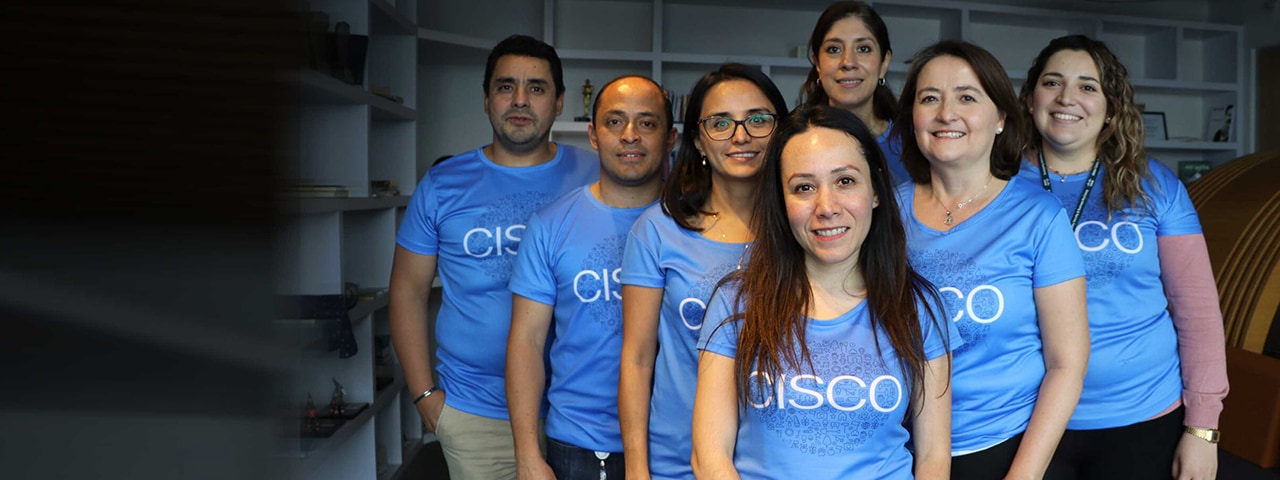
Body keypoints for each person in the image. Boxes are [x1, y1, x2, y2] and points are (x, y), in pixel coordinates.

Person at [691, 104, 958, 479]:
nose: (826, 207)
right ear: (781, 204)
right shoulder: (737, 302)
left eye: (845, 181)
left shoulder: (918, 306)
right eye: (804, 187)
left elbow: (933, 459)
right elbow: (709, 457)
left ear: (876, 191)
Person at [1015, 35, 1229, 480]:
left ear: (1112, 108)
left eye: (1088, 87)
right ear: (1031, 97)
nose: (1067, 98)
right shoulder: (997, 184)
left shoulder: (1156, 186)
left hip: (1143, 415)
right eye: (1052, 82)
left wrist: (1203, 428)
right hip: (1025, 420)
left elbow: (1198, 311)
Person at [389, 34, 599, 480]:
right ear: (486, 100)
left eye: (536, 88)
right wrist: (425, 395)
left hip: (581, 410)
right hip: (476, 413)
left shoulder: (595, 175)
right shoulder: (443, 184)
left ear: (560, 102)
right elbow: (407, 292)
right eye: (506, 87)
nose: (520, 100)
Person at [890, 40, 1090, 480]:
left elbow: (1066, 364)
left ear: (1000, 117)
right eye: (929, 98)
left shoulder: (1038, 216)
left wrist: (1023, 475)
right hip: (896, 450)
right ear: (913, 119)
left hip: (1005, 448)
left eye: (966, 97)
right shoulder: (883, 213)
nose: (946, 113)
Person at [618, 63, 789, 480]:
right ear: (697, 139)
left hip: (774, 462)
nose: (740, 136)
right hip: (675, 458)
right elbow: (637, 359)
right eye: (720, 123)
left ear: (780, 130)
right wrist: (637, 469)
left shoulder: (804, 228)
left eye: (758, 120)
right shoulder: (657, 230)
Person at [506, 75, 677, 480]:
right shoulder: (550, 225)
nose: (630, 136)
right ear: (594, 136)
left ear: (670, 138)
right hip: (577, 445)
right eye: (615, 122)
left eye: (647, 123)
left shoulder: (695, 227)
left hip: (674, 444)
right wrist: (528, 453)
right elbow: (527, 342)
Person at [800, 1, 908, 185]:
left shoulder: (913, 142)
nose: (848, 62)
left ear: (884, 63)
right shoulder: (797, 141)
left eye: (863, 49)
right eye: (834, 49)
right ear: (817, 63)